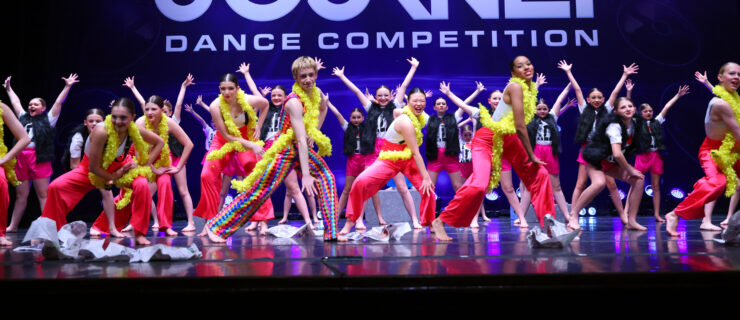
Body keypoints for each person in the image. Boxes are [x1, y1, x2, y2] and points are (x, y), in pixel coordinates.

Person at [205, 56, 344, 242]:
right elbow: (301, 140)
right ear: (296, 78)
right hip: (286, 150)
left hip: (300, 147)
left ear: (316, 75)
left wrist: (315, 130)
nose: (308, 79)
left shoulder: (316, 92)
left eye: (311, 75)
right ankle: (216, 227)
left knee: (327, 179)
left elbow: (322, 109)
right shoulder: (293, 101)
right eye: (303, 76)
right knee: (260, 191)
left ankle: (331, 233)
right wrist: (306, 173)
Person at [433, 56, 554, 241]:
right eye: (520, 66)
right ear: (513, 73)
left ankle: (549, 227)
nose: (526, 67)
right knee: (479, 185)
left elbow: (518, 124)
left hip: (509, 139)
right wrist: (531, 155)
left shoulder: (528, 89)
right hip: (488, 139)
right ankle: (441, 221)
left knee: (540, 174)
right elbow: (521, 126)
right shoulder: (514, 87)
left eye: (528, 63)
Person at [43, 98, 164, 245]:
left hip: (119, 166)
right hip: (89, 170)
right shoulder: (101, 131)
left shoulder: (134, 129)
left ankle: (139, 234)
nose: (118, 121)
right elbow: (94, 168)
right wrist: (115, 176)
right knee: (55, 187)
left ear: (132, 118)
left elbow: (160, 142)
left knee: (142, 185)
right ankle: (55, 232)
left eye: (123, 118)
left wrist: (144, 164)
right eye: (114, 117)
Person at [332, 58, 423, 229]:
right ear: (376, 97)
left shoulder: (396, 105)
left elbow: (403, 86)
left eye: (385, 95)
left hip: (393, 149)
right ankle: (359, 220)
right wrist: (342, 77)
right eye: (379, 95)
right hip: (373, 151)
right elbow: (358, 92)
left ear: (391, 96)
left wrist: (413, 68)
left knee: (403, 188)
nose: (382, 98)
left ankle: (415, 220)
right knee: (365, 185)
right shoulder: (370, 108)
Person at [340, 88, 436, 234]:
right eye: (415, 101)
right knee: (360, 183)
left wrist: (426, 181)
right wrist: (425, 177)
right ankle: (349, 223)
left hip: (407, 157)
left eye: (422, 101)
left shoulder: (417, 116)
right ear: (408, 102)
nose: (419, 104)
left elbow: (398, 113)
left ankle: (430, 223)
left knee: (428, 190)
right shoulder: (406, 122)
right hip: (389, 158)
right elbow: (417, 152)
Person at [236, 63, 315, 232]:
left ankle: (308, 221)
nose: (276, 98)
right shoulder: (267, 108)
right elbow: (256, 93)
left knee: (293, 188)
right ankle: (257, 220)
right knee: (259, 186)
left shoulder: (292, 107)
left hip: (284, 151)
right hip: (264, 150)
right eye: (274, 95)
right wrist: (247, 73)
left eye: (280, 95)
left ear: (286, 96)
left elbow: (308, 122)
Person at [192, 72, 273, 237]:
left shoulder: (249, 100)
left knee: (255, 171)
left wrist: (258, 127)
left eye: (230, 89)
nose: (227, 93)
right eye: (223, 89)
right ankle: (210, 222)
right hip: (223, 140)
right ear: (219, 89)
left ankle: (263, 220)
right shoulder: (216, 106)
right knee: (207, 174)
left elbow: (265, 104)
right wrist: (250, 144)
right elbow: (228, 136)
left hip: (246, 136)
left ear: (237, 88)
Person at [558, 60, 638, 225]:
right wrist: (568, 72)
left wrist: (624, 75)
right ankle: (574, 214)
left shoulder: (607, 109)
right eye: (593, 97)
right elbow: (578, 90)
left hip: (604, 151)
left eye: (599, 97)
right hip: (588, 151)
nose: (596, 100)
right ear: (588, 99)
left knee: (611, 184)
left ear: (603, 99)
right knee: (581, 183)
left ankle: (624, 216)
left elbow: (615, 93)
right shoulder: (583, 109)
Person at [666, 62, 740, 237]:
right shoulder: (721, 104)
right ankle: (676, 214)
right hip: (713, 151)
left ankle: (721, 217)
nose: (737, 77)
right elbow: (737, 132)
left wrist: (707, 84)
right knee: (717, 183)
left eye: (738, 74)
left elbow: (717, 91)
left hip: (732, 150)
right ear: (721, 77)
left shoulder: (733, 98)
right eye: (732, 73)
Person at [115, 75, 195, 235]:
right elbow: (140, 154)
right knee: (140, 190)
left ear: (162, 111)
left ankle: (166, 226)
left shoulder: (169, 122)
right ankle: (135, 224)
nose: (150, 112)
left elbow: (189, 144)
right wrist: (152, 168)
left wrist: (178, 167)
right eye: (147, 109)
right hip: (144, 162)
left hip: (164, 163)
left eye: (154, 109)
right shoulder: (140, 123)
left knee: (166, 185)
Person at [3, 74, 78, 233]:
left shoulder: (49, 119)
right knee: (20, 196)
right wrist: (9, 89)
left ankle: (48, 225)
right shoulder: (22, 117)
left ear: (43, 108)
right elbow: (16, 103)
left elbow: (58, 103)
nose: (31, 106)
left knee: (43, 194)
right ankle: (13, 225)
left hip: (39, 159)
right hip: (21, 158)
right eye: (30, 104)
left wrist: (67, 87)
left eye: (35, 104)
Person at [571, 97, 646, 231]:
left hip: (610, 162)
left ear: (635, 109)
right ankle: (573, 216)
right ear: (616, 112)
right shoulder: (614, 126)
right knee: (599, 183)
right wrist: (629, 169)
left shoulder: (635, 123)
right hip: (596, 159)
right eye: (623, 107)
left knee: (639, 180)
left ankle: (632, 221)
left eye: (630, 106)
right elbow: (617, 153)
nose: (627, 109)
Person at [623, 84, 689, 223]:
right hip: (642, 156)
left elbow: (666, 107)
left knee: (656, 186)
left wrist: (678, 95)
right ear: (641, 113)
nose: (649, 113)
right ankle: (626, 211)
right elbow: (628, 109)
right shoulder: (636, 122)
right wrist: (629, 91)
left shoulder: (657, 121)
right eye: (646, 111)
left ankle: (657, 214)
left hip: (655, 156)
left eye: (650, 111)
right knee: (635, 184)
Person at [519, 84, 578, 222]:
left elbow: (559, 99)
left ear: (548, 109)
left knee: (556, 186)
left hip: (550, 152)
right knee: (530, 186)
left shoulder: (552, 117)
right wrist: (537, 85)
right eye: (539, 109)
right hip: (536, 151)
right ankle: (521, 216)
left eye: (544, 109)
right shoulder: (530, 118)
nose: (542, 111)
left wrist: (569, 84)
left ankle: (566, 215)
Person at [0, 101, 31, 246]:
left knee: (1, 183)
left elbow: (24, 138)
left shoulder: (1, 107)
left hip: (36, 160)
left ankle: (0, 233)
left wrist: (4, 159)